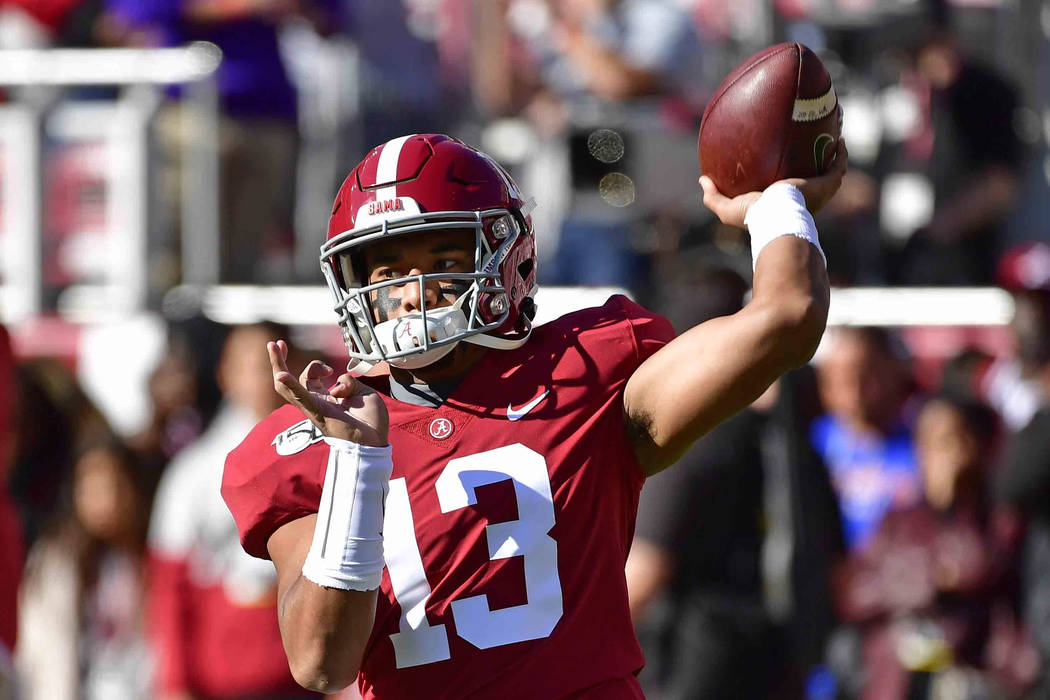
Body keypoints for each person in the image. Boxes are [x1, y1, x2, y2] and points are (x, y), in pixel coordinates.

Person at [222, 133, 845, 697]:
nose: (412, 292)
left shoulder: (587, 368)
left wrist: (774, 204)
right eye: (387, 271)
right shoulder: (311, 441)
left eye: (442, 261)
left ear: (505, 255)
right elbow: (321, 662)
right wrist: (357, 466)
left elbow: (785, 320)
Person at [148, 323, 317, 700]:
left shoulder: (325, 459)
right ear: (224, 373)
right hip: (221, 676)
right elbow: (169, 586)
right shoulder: (192, 472)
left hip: (306, 678)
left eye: (272, 363)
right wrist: (174, 682)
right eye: (248, 363)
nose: (261, 376)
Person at [835, 394, 1035, 699]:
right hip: (897, 682)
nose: (938, 456)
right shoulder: (896, 521)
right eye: (928, 443)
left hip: (972, 680)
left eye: (950, 441)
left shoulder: (999, 520)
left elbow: (977, 568)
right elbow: (853, 591)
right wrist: (926, 579)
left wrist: (958, 500)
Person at [16, 439, 154, 700]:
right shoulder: (55, 565)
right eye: (93, 487)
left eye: (115, 485)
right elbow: (41, 653)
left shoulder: (151, 558)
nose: (106, 499)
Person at [812, 326, 922, 553]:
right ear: (826, 384)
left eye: (868, 375)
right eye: (845, 379)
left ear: (893, 372)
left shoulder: (924, 439)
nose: (857, 390)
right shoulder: (813, 444)